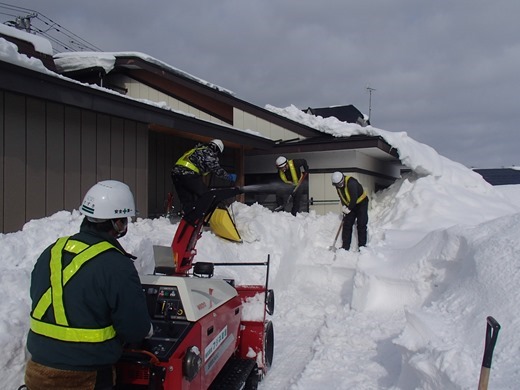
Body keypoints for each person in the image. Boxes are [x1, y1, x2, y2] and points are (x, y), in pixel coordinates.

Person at [24, 180, 153, 390]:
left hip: (38, 374)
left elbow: (40, 295)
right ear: (117, 223)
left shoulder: (51, 252)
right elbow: (135, 329)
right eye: (124, 219)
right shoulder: (116, 265)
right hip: (85, 377)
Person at [171, 139, 236, 215]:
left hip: (176, 174)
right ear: (216, 149)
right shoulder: (208, 151)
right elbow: (215, 168)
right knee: (206, 195)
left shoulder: (197, 150)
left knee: (187, 200)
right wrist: (228, 176)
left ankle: (190, 219)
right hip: (188, 173)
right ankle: (211, 215)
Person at [331, 171, 369, 251]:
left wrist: (349, 209)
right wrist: (344, 207)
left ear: (343, 179)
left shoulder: (351, 183)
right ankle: (345, 247)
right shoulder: (338, 187)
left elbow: (354, 198)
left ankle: (362, 247)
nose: (339, 185)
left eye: (340, 183)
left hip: (361, 203)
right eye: (337, 185)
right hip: (351, 205)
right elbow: (342, 197)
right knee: (347, 224)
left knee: (361, 223)